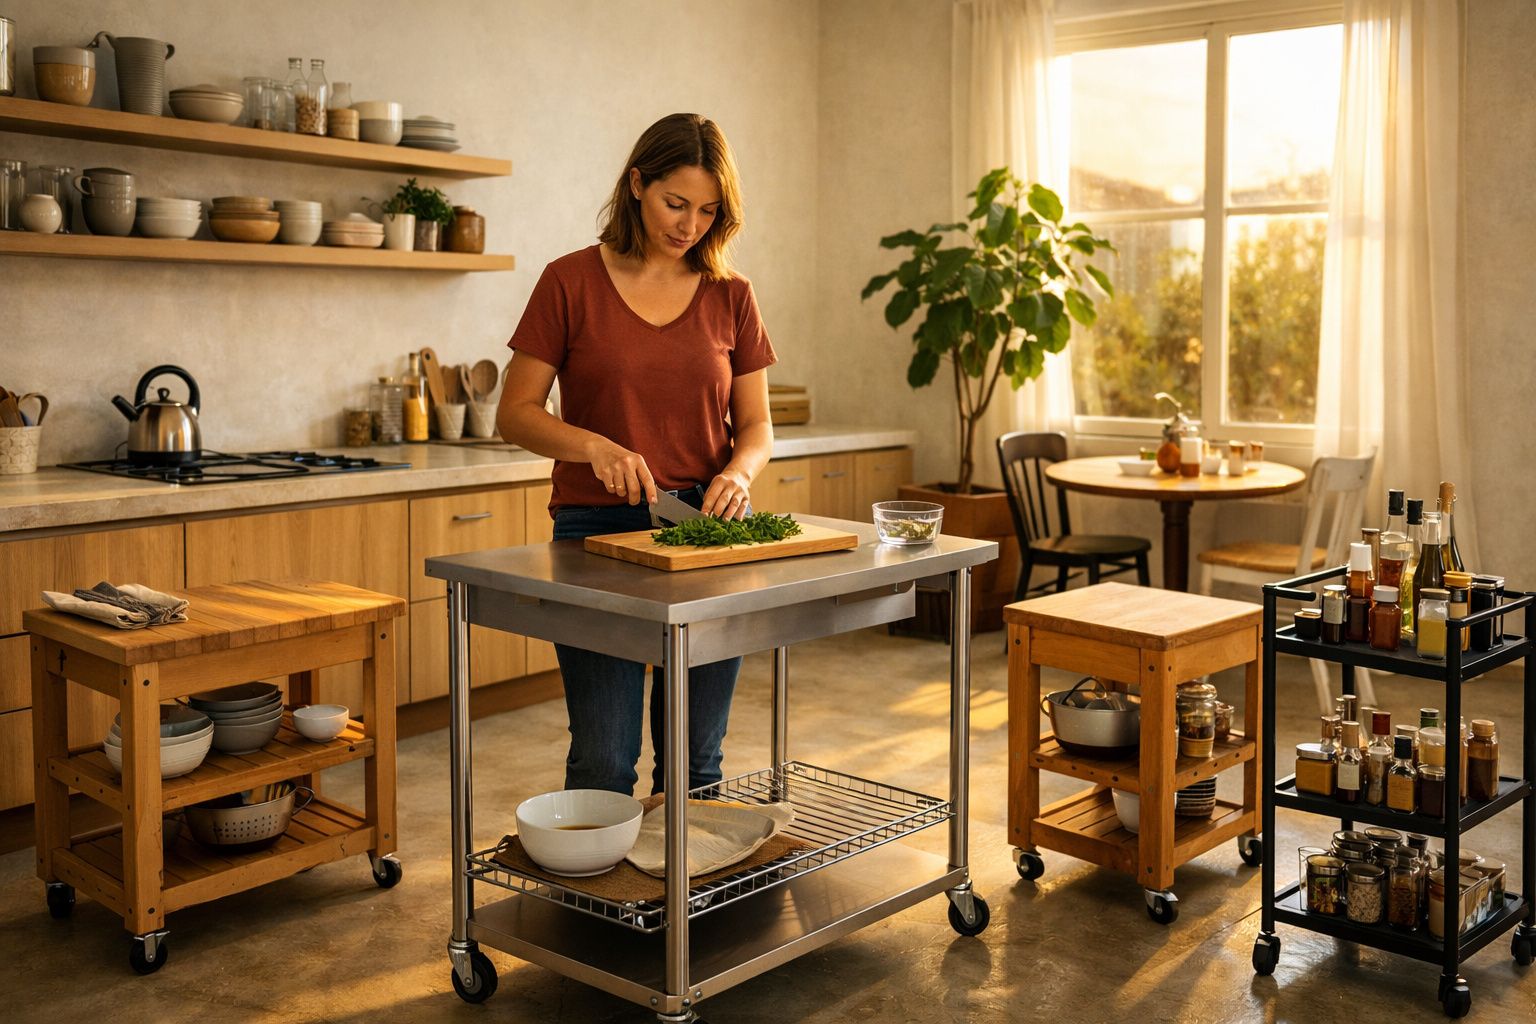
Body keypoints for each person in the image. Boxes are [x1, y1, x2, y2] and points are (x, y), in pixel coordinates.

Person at [496, 113, 776, 797]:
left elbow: (757, 426)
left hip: (706, 536)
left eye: (708, 211)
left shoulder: (732, 296)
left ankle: (686, 904)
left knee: (696, 766)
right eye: (674, 203)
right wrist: (592, 445)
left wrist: (739, 472)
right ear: (637, 184)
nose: (689, 225)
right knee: (603, 761)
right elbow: (515, 413)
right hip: (596, 536)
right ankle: (604, 904)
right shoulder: (569, 281)